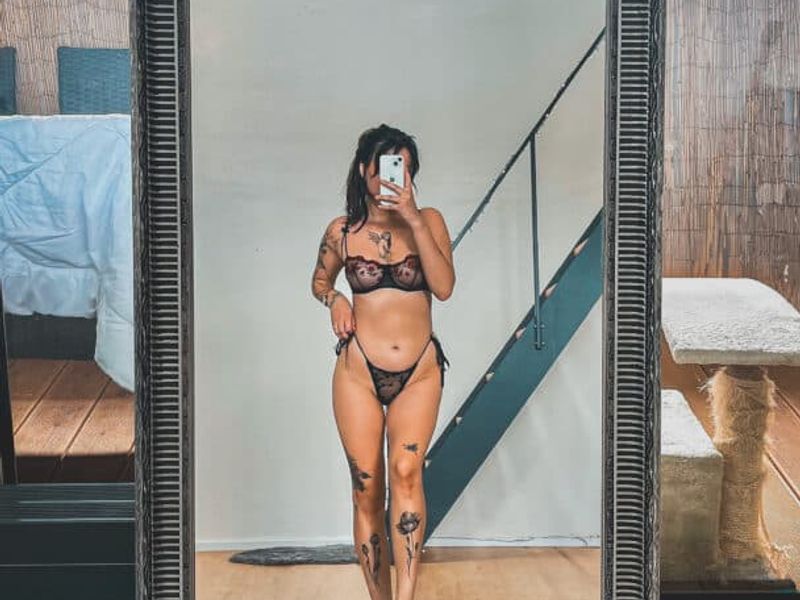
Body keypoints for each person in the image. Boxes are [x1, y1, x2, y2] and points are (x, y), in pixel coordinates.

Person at [311, 123, 455, 600]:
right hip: (359, 373)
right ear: (364, 170)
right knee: (366, 488)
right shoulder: (342, 231)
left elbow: (444, 287)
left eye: (405, 168)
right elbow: (318, 281)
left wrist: (412, 217)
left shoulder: (429, 221)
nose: (395, 176)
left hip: (419, 371)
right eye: (388, 166)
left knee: (407, 473)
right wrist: (335, 299)